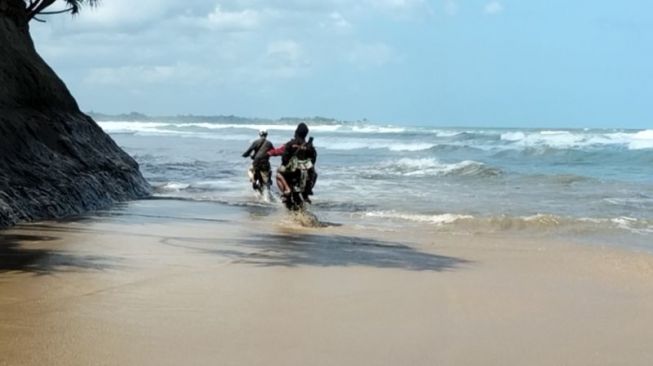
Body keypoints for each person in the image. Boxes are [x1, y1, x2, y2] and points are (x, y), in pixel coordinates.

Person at [268, 122, 317, 203]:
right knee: (315, 174)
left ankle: (286, 190)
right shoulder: (310, 146)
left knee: (278, 174)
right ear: (306, 134)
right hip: (305, 171)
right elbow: (313, 160)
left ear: (296, 132)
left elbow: (284, 159)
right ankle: (307, 192)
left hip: (291, 172)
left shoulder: (290, 144)